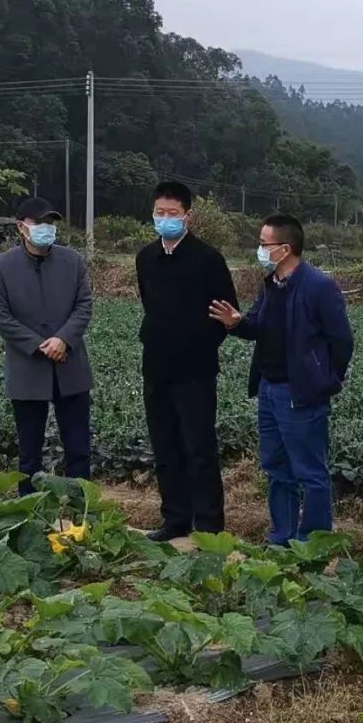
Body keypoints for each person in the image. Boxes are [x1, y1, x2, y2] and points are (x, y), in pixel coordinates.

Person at [209, 214, 353, 545]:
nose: (259, 249)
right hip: (269, 390)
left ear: (285, 248)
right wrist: (236, 322)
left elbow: (342, 341)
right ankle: (281, 538)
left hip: (301, 394)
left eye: (263, 244)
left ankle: (312, 544)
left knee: (310, 473)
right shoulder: (271, 284)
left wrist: (326, 380)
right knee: (276, 469)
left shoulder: (318, 285)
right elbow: (258, 326)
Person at [136, 181, 238, 542]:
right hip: (157, 366)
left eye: (173, 214)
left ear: (187, 216)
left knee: (199, 448)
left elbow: (225, 314)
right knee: (165, 445)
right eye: (159, 213)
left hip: (195, 370)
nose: (165, 219)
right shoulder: (146, 257)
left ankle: (209, 525)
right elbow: (149, 303)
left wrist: (199, 343)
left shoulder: (208, 259)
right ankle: (175, 518)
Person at [0, 197, 93, 496]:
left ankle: (80, 516)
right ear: (21, 227)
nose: (47, 228)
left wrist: (63, 339)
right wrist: (38, 344)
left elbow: (84, 306)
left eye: (51, 223)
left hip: (71, 367)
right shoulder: (0, 268)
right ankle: (29, 517)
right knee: (29, 453)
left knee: (78, 449)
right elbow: (0, 316)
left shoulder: (73, 262)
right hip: (27, 369)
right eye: (40, 223)